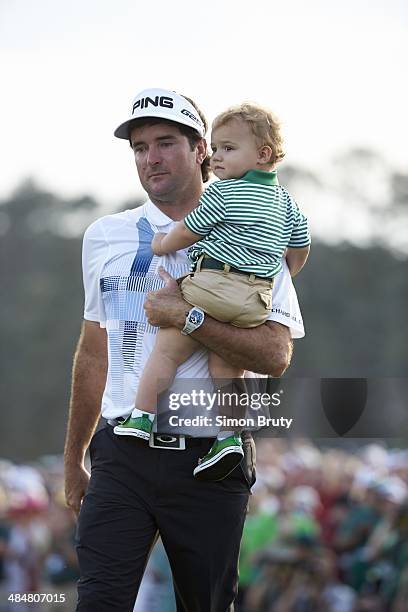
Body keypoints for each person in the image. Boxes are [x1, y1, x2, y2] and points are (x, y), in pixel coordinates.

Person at [64, 87, 305, 612]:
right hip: (122, 450)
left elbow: (274, 355)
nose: (149, 158)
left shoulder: (261, 224)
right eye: (139, 147)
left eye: (165, 142)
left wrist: (189, 318)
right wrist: (73, 462)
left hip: (211, 456)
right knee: (98, 602)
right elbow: (93, 354)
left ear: (202, 150)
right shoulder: (105, 236)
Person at [114, 102, 310, 481]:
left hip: (212, 286)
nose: (217, 158)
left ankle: (141, 417)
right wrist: (281, 270)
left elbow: (189, 231)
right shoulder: (287, 202)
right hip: (255, 299)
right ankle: (228, 438)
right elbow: (300, 247)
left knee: (168, 349)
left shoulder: (223, 194)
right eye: (217, 148)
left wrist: (159, 245)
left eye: (227, 149)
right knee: (227, 365)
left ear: (262, 154)